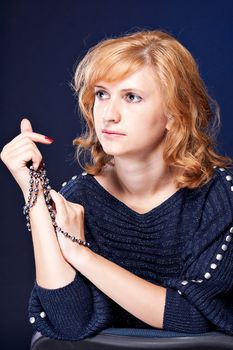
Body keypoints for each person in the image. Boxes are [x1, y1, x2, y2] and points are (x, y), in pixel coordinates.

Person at [1, 29, 233, 341]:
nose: (109, 115)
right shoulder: (80, 197)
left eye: (132, 97)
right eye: (101, 94)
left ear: (175, 115)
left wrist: (80, 253)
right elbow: (68, 324)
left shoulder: (219, 196)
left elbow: (196, 317)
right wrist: (34, 193)